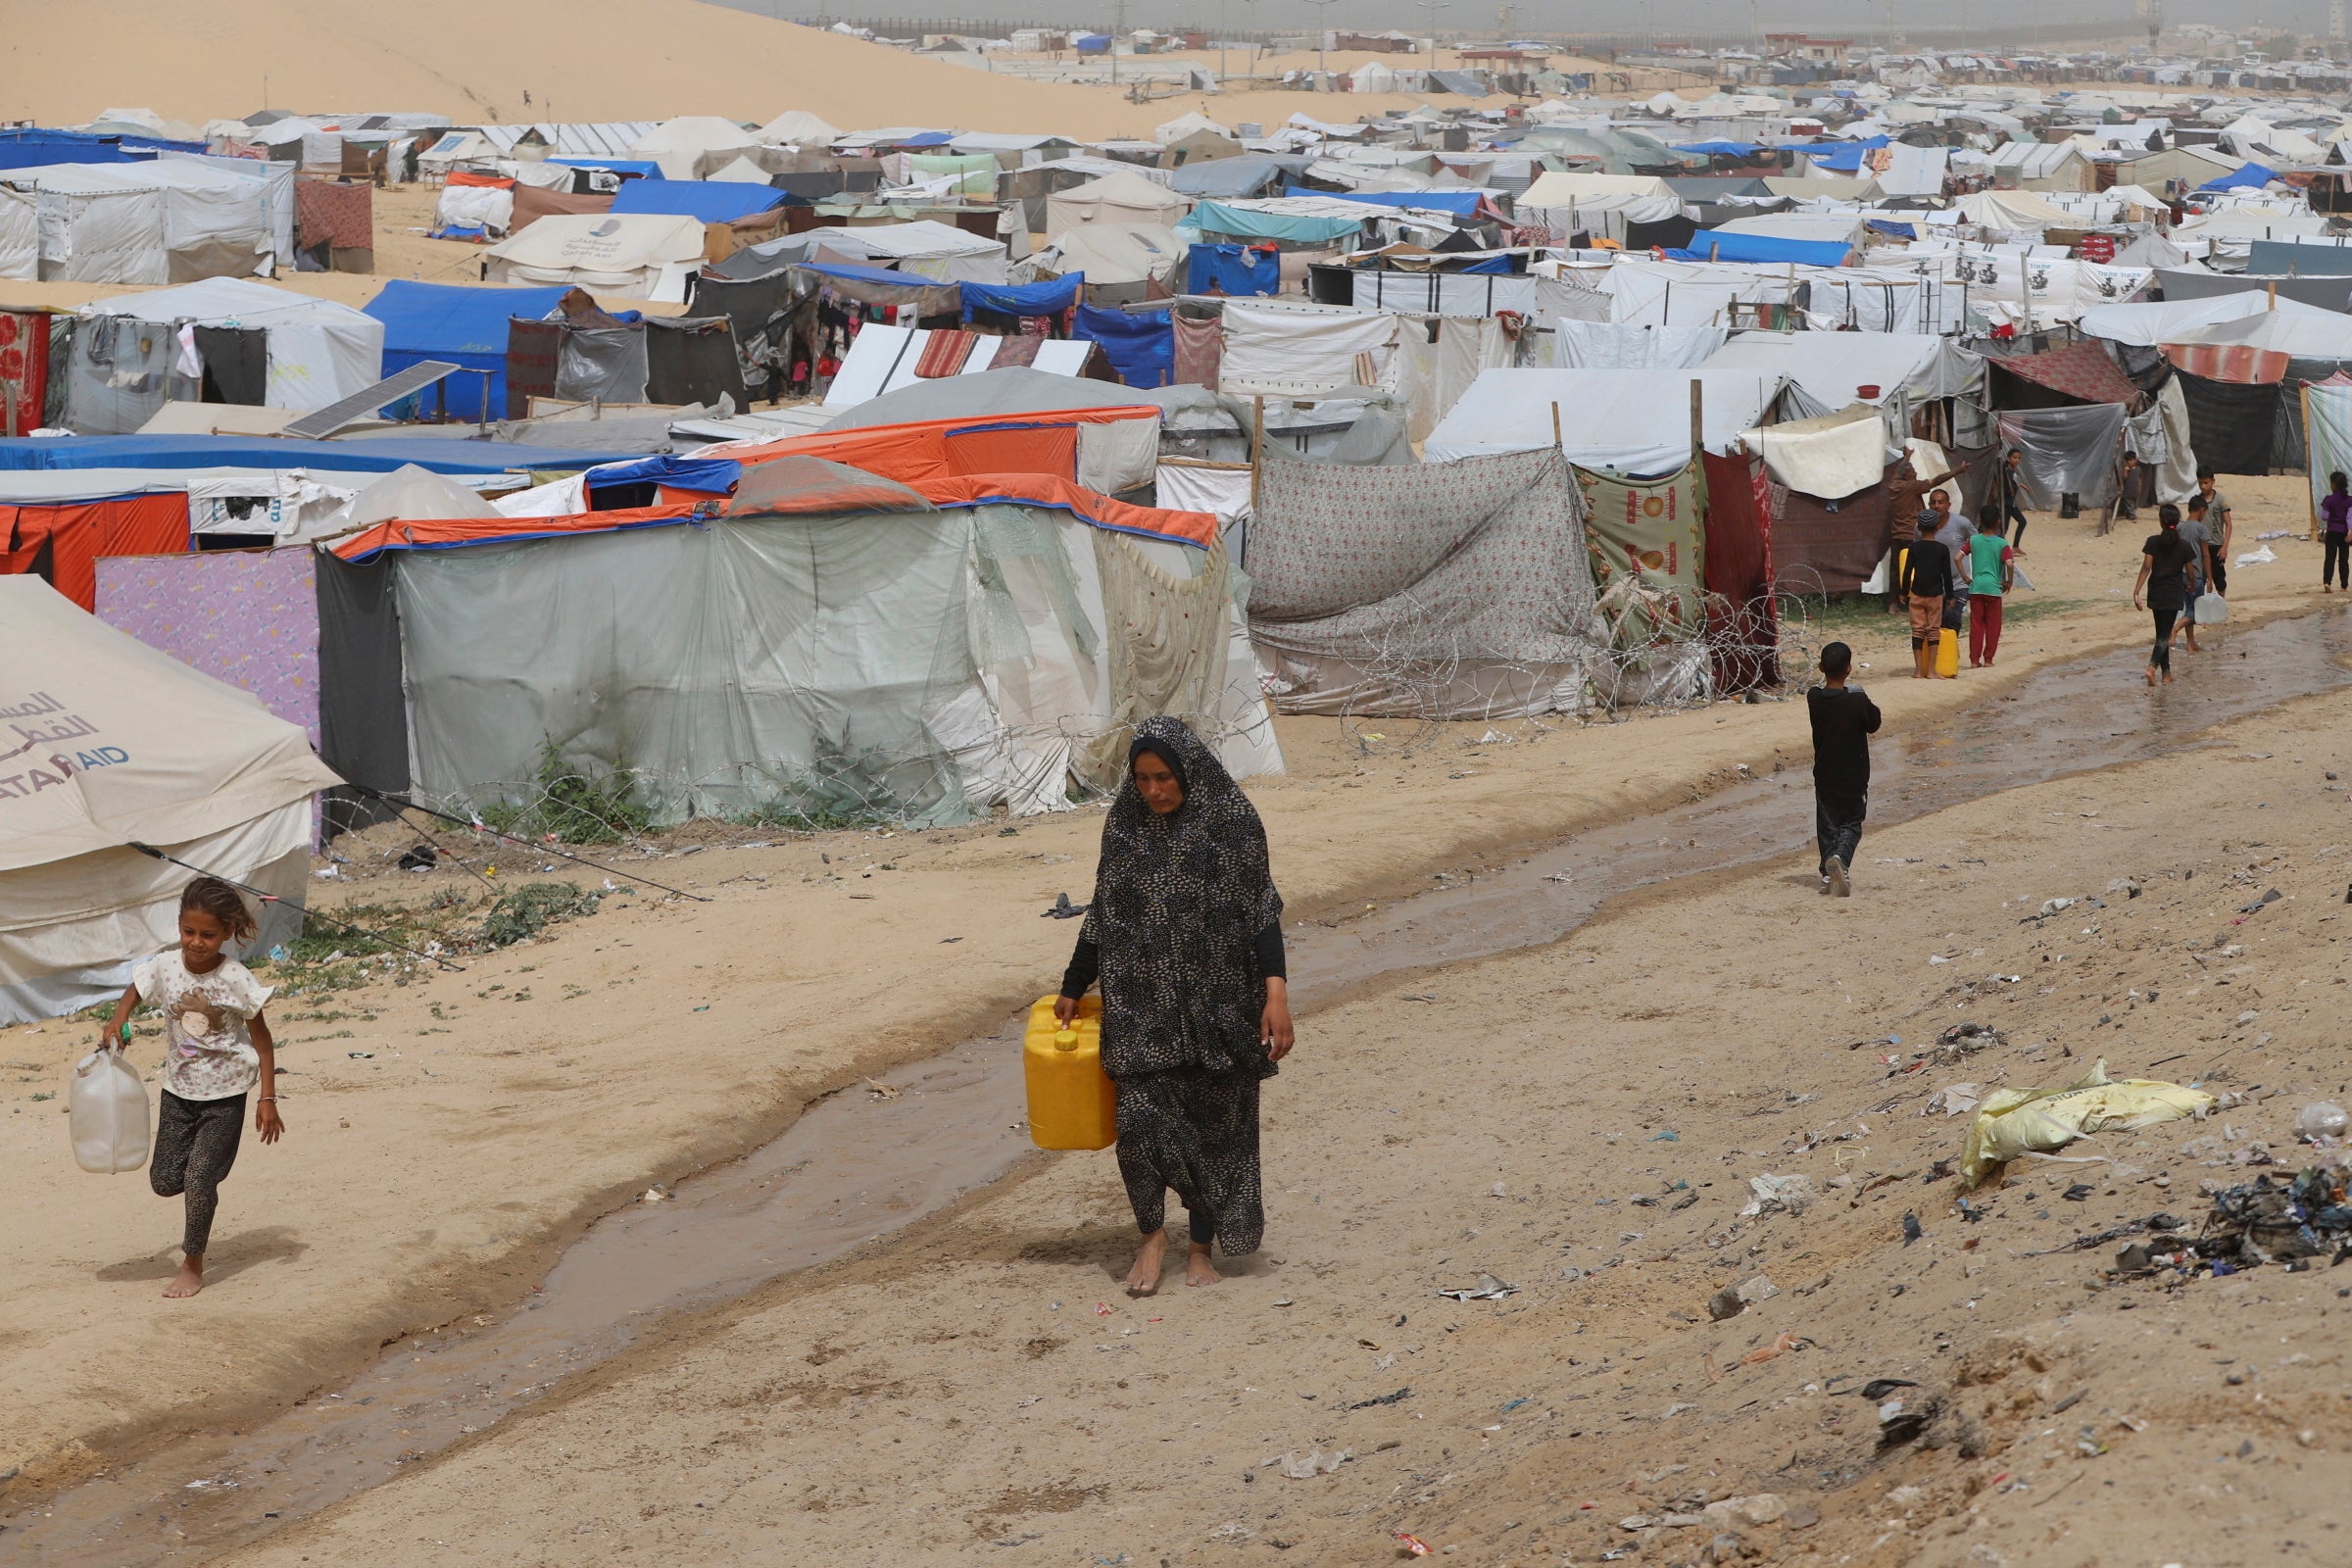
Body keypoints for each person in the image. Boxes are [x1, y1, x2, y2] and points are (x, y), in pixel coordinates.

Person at [1056, 718, 1292, 1295]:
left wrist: (1276, 995)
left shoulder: (1233, 824)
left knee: (1217, 1131)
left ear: (1188, 772)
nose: (1154, 790)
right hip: (1141, 1008)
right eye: (1141, 779)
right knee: (1138, 1125)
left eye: (1164, 778)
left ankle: (1200, 1250)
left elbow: (1261, 912)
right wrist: (1073, 983)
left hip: (1220, 1008)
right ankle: (1152, 1236)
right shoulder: (1125, 826)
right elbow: (1104, 914)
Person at [99, 878, 281, 1298]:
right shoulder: (166, 966)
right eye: (189, 931)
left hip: (227, 1095)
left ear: (228, 933)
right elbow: (136, 991)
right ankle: (205, 1180)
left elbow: (263, 1040)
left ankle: (192, 1264)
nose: (197, 943)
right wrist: (118, 1020)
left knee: (199, 1180)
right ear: (179, 926)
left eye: (208, 934)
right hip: (178, 1092)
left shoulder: (236, 979)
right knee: (164, 1182)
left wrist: (267, 1098)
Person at [1808, 641, 1881, 899]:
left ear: (1821, 667)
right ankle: (1840, 859)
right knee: (1851, 823)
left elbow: (1821, 692)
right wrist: (1860, 693)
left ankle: (1829, 873)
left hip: (1825, 773)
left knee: (1827, 824)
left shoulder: (1814, 698)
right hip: (1854, 774)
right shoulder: (1857, 700)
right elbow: (1874, 723)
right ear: (1849, 669)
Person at [1882, 455, 1963, 612]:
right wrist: (1956, 471)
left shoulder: (1893, 486)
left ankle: (1892, 604)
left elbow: (1897, 473)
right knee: (1918, 569)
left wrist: (1907, 456)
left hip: (1896, 535)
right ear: (1906, 475)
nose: (1916, 473)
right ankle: (1916, 601)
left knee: (1896, 571)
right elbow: (1936, 481)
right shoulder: (1912, 486)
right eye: (1913, 471)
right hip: (1912, 535)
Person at [2133, 503, 2199, 688]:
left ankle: (2167, 674)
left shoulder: (2152, 542)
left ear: (2161, 522)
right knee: (2163, 636)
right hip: (2172, 594)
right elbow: (2190, 571)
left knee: (2161, 634)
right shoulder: (2184, 546)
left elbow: (2147, 567)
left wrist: (2136, 590)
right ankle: (2151, 668)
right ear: (2177, 522)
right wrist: (2192, 584)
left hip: (2155, 592)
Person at [1901, 524, 1955, 678]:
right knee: (1933, 631)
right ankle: (1931, 670)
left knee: (1917, 630)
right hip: (1935, 596)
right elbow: (1947, 575)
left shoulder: (1914, 547)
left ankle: (1918, 670)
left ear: (1919, 528)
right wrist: (1950, 596)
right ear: (1937, 527)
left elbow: (1907, 572)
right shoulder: (1942, 549)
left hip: (1917, 594)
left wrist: (1904, 593)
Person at [1965, 503, 2015, 667]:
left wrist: (1965, 577)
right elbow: (2009, 563)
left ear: (1980, 520)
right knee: (1993, 625)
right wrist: (2009, 581)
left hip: (1976, 587)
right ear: (1999, 522)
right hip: (1993, 588)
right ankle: (1988, 659)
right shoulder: (2002, 544)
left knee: (1976, 624)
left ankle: (1974, 660)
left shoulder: (1973, 540)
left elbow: (1958, 557)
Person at [1932, 488, 1975, 639]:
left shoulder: (1961, 523)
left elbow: (1978, 543)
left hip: (1959, 582)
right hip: (1935, 585)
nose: (1937, 506)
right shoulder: (1922, 527)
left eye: (1941, 502)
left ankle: (1950, 650)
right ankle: (1942, 656)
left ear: (1948, 505)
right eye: (1934, 503)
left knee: (1952, 617)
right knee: (1935, 624)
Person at [2176, 496, 2215, 654]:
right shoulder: (2201, 529)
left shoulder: (2179, 528)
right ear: (2201, 510)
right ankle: (2175, 629)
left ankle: (2190, 643)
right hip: (2196, 575)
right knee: (2195, 612)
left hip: (2181, 574)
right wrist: (2210, 578)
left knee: (2189, 609)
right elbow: (2205, 555)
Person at [2196, 467, 2233, 600]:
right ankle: (2202, 603)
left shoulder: (2220, 500)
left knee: (2218, 577)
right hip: (2201, 544)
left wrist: (2224, 547)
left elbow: (2228, 524)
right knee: (2201, 576)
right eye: (2200, 483)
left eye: (2206, 483)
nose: (2203, 486)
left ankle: (2221, 602)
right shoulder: (2196, 501)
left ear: (2213, 481)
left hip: (2217, 545)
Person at [1997, 448, 2033, 553]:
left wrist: (2020, 485)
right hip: (2007, 504)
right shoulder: (2008, 471)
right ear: (2008, 458)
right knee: (2004, 527)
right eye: (2014, 457)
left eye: (2019, 458)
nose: (2017, 460)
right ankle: (2000, 549)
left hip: (2011, 503)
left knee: (2022, 522)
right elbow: (2006, 486)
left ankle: (2015, 546)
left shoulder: (2011, 471)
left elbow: (2010, 484)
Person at [2322, 470, 2352, 592]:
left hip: (2332, 532)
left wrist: (2330, 513)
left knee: (2330, 558)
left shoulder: (2328, 500)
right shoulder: (2349, 500)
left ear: (2333, 484)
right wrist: (2350, 530)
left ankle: (2327, 583)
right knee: (2344, 560)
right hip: (2345, 533)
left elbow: (2324, 516)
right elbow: (2349, 517)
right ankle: (2344, 585)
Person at [2114, 450, 2141, 524]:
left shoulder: (2138, 469)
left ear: (2135, 460)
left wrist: (2139, 487)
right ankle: (2133, 517)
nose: (2129, 462)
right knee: (2129, 504)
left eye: (2131, 460)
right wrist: (2126, 470)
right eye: (2128, 461)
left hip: (2135, 490)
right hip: (2128, 490)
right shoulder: (2125, 469)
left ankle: (2128, 515)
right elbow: (2124, 477)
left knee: (2133, 505)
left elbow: (2139, 479)